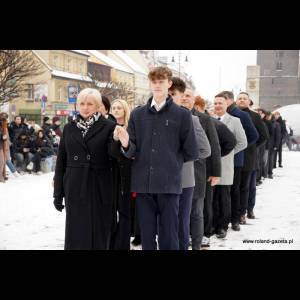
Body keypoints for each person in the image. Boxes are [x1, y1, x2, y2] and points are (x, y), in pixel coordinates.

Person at [115, 67, 199, 250]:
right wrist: (126, 143)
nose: (157, 85)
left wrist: (170, 162)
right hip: (143, 186)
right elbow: (131, 151)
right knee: (146, 236)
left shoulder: (182, 115)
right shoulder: (138, 114)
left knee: (169, 235)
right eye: (154, 82)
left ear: (169, 84)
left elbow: (192, 151)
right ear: (150, 84)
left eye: (161, 81)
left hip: (169, 186)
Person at [53, 88, 121, 250]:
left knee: (98, 232)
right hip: (75, 186)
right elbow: (61, 161)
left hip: (99, 186)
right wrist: (58, 193)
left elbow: (114, 157)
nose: (85, 107)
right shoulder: (69, 128)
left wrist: (117, 140)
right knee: (76, 232)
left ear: (98, 106)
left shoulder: (109, 126)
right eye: (81, 104)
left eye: (90, 104)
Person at [169, 77, 211, 250]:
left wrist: (180, 160)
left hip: (184, 179)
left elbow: (205, 150)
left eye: (173, 94)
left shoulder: (190, 119)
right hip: (159, 181)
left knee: (182, 224)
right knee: (165, 224)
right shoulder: (151, 116)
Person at [219, 91, 258, 231]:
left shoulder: (242, 115)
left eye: (223, 101)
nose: (219, 104)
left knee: (234, 190)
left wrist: (240, 148)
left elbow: (253, 135)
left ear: (229, 101)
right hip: (220, 160)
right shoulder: (219, 115)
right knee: (222, 192)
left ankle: (235, 219)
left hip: (236, 160)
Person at [212, 94, 247, 238]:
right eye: (215, 103)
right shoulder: (210, 120)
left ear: (226, 104)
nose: (217, 106)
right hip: (211, 165)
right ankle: (213, 224)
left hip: (226, 165)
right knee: (212, 198)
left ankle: (223, 226)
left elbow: (242, 142)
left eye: (220, 103)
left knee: (224, 196)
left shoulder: (235, 121)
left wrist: (229, 153)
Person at [236, 92, 269, 222]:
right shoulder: (231, 113)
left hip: (249, 157)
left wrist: (252, 146)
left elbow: (264, 136)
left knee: (248, 186)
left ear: (249, 102)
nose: (242, 100)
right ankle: (237, 211)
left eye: (245, 99)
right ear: (236, 101)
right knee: (237, 186)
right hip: (234, 155)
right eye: (240, 98)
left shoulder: (255, 116)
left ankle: (246, 211)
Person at [109, 98, 134, 250]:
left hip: (127, 175)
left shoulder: (131, 128)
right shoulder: (108, 128)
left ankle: (123, 244)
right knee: (111, 213)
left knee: (125, 212)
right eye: (114, 107)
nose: (116, 110)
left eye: (119, 107)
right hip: (111, 175)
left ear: (125, 110)